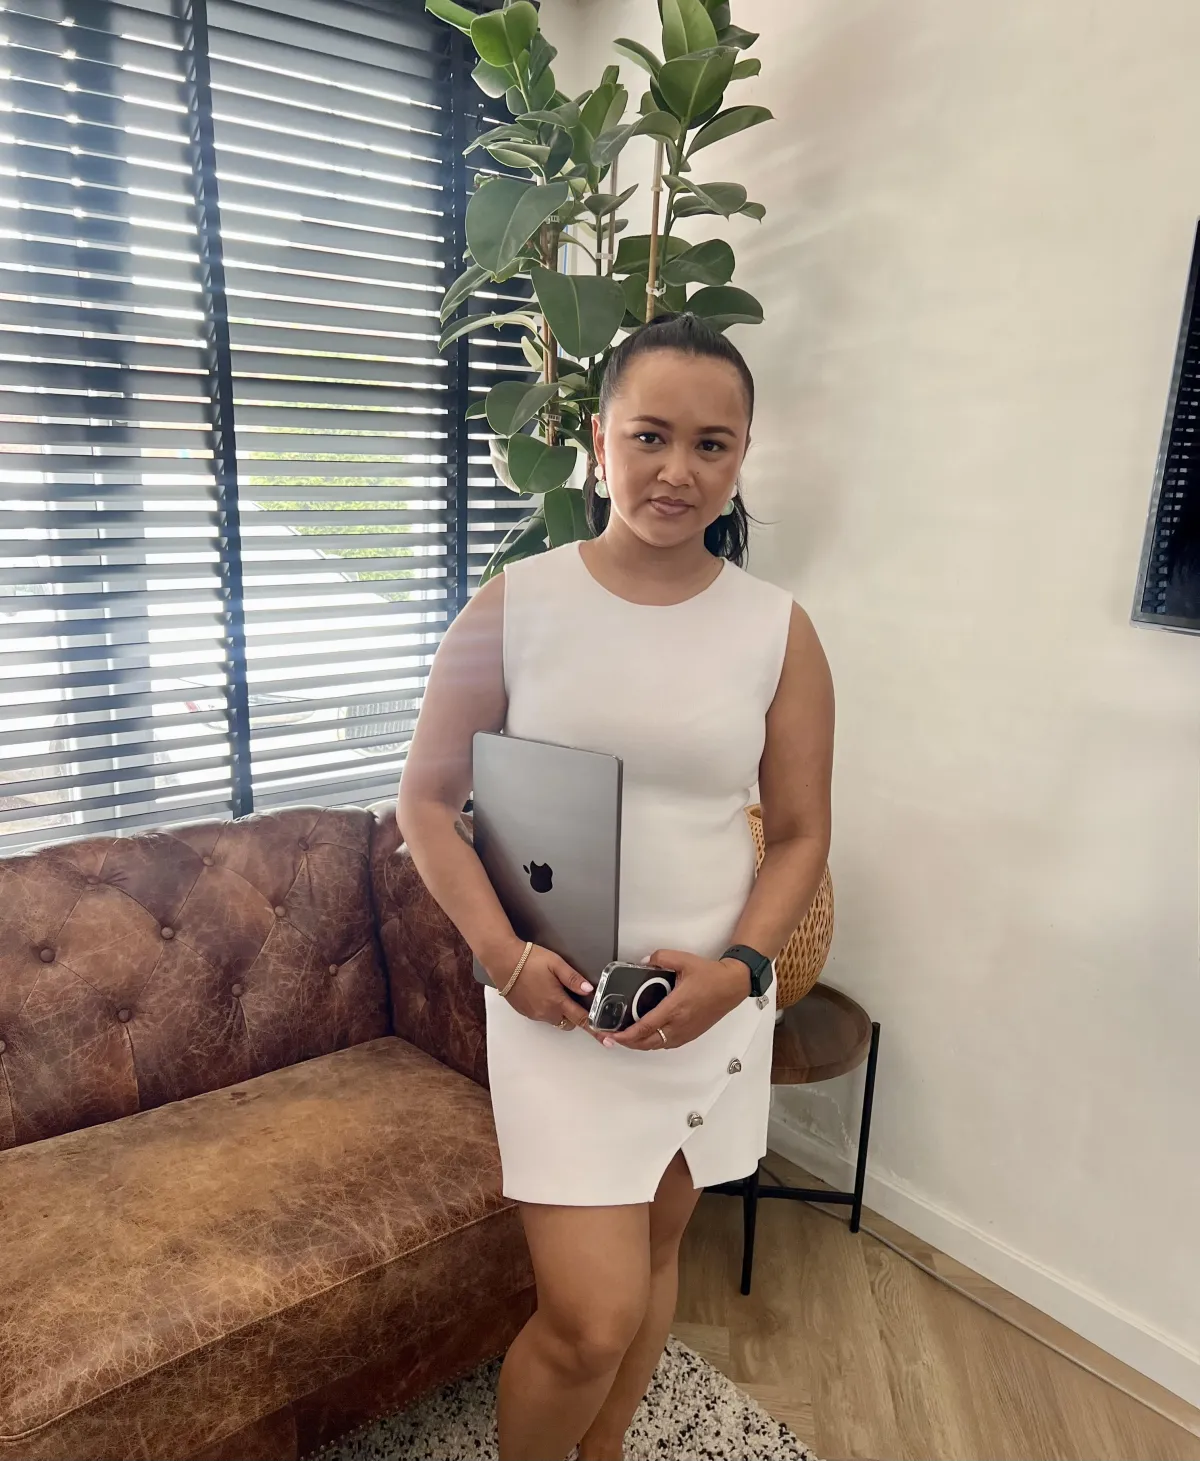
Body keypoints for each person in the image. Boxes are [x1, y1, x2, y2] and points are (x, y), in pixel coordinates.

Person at [398, 312, 834, 1461]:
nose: (676, 470)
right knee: (589, 1317)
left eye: (710, 444)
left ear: (741, 457)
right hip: (554, 1006)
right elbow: (425, 804)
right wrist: (504, 960)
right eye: (650, 435)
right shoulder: (514, 605)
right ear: (599, 440)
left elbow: (799, 835)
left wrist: (740, 971)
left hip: (706, 1010)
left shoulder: (778, 632)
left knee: (653, 1257)